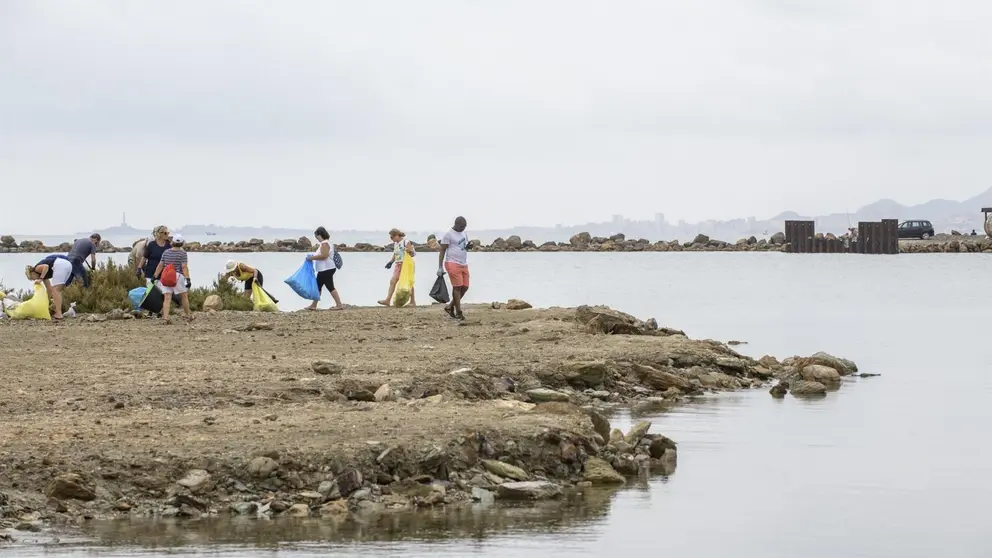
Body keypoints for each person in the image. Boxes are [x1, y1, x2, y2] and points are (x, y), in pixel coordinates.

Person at [153, 234, 193, 324]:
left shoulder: (166, 252)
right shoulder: (183, 253)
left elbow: (160, 265)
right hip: (177, 276)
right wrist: (188, 279)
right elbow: (184, 267)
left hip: (166, 276)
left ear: (172, 242)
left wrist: (154, 276)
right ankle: (188, 315)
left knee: (167, 298)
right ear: (182, 243)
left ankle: (165, 318)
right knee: (184, 296)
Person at [438, 216, 470, 320]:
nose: (463, 228)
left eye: (464, 227)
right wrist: (440, 267)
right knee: (457, 287)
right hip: (452, 263)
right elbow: (442, 250)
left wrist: (468, 247)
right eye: (461, 227)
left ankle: (450, 307)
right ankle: (459, 312)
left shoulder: (464, 233)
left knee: (465, 287)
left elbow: (463, 247)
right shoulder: (448, 234)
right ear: (456, 224)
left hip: (463, 263)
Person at [24, 254, 74, 320]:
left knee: (56, 290)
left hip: (60, 265)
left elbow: (46, 266)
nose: (34, 280)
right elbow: (49, 289)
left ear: (32, 273)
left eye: (32, 278)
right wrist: (46, 302)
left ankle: (59, 314)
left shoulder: (37, 268)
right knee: (58, 289)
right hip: (68, 265)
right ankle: (57, 310)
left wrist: (41, 279)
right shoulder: (44, 275)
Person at [306, 226, 344, 311]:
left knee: (328, 286)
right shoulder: (326, 243)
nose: (316, 238)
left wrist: (311, 258)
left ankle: (339, 305)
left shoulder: (325, 243)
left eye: (317, 236)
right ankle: (313, 305)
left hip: (326, 269)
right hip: (325, 269)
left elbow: (324, 256)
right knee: (320, 286)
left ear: (320, 235)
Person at [378, 228, 416, 307]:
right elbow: (395, 254)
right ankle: (387, 300)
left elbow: (412, 254)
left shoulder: (406, 242)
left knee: (408, 283)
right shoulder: (396, 244)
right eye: (390, 237)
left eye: (392, 237)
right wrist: (390, 262)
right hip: (397, 265)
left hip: (406, 265)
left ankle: (412, 302)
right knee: (393, 281)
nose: (391, 239)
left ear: (397, 235)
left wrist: (409, 251)